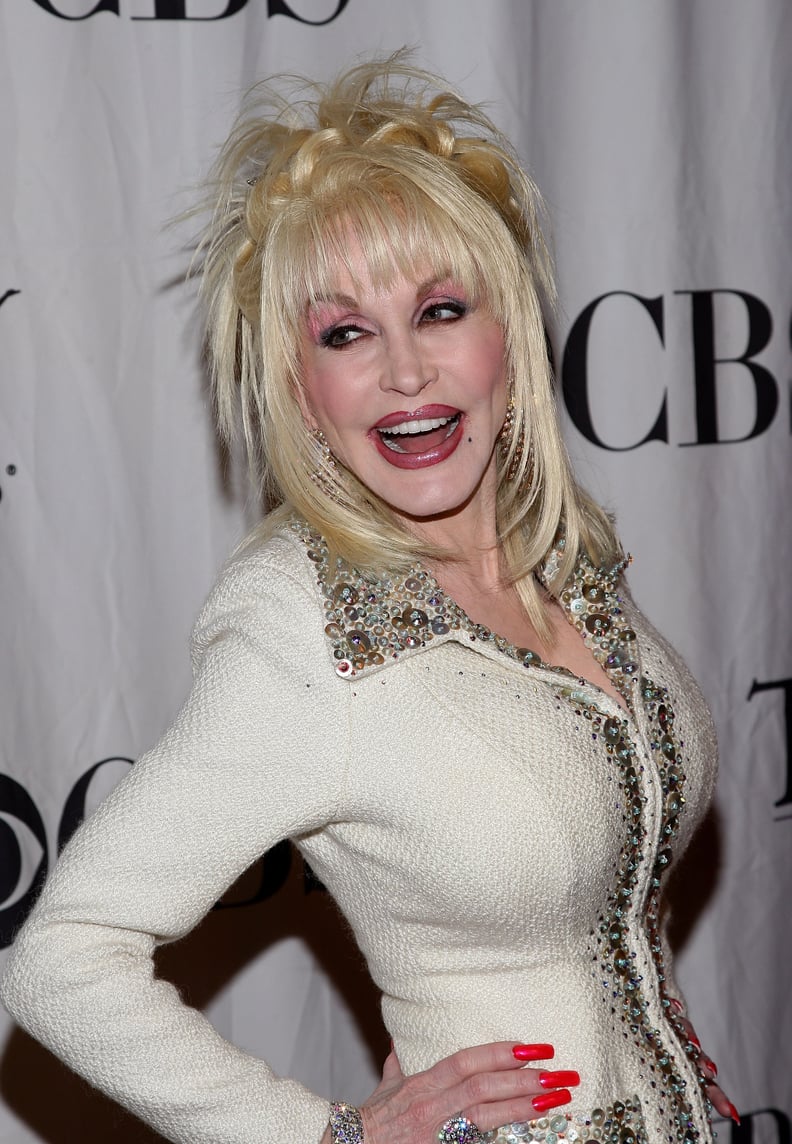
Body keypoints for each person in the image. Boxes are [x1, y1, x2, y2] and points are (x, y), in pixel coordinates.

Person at [0, 54, 735, 1144]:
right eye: (345, 333)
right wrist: (330, 1136)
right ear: (302, 387)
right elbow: (62, 957)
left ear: (508, 337)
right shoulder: (302, 630)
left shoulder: (565, 553)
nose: (404, 370)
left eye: (440, 309)